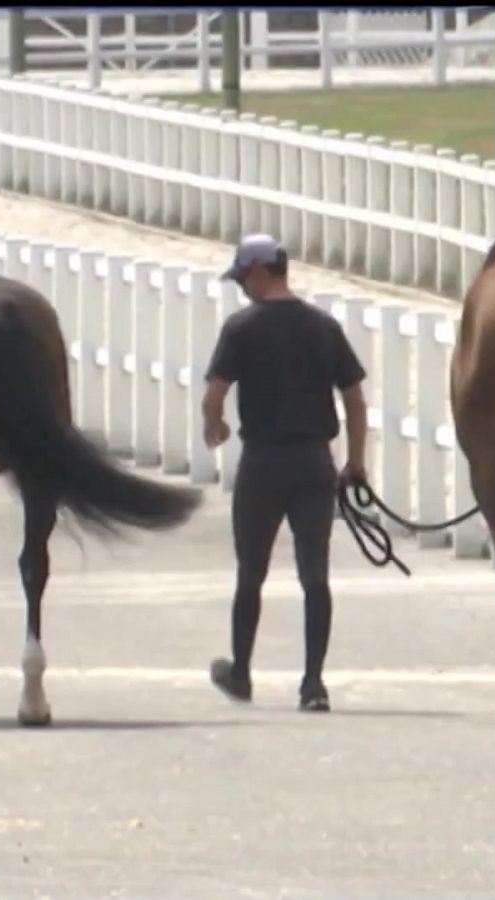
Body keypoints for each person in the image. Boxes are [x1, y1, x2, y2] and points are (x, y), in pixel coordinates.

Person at [202, 234, 369, 713]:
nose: (241, 288)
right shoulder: (323, 327)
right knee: (315, 576)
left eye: (242, 279)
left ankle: (241, 672)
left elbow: (214, 394)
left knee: (251, 572)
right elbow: (354, 397)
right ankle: (313, 683)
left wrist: (215, 427)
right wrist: (355, 461)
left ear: (257, 273)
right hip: (314, 460)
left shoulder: (241, 328)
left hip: (263, 462)